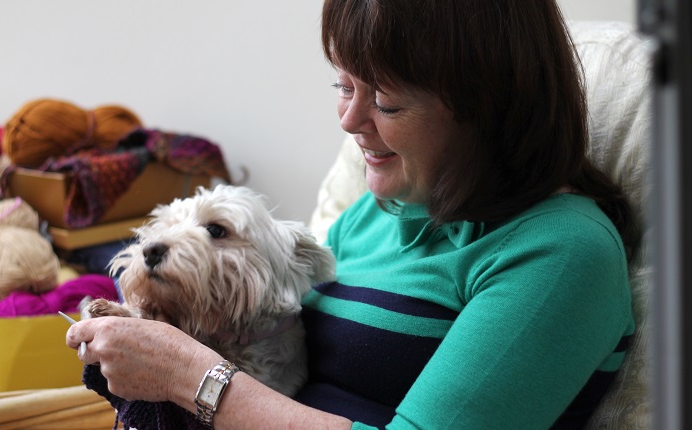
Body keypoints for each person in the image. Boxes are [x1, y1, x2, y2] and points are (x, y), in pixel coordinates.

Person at [67, 0, 637, 428]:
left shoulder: (560, 252)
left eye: (386, 100)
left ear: (490, 104)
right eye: (343, 86)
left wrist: (190, 377)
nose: (349, 120)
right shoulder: (369, 216)